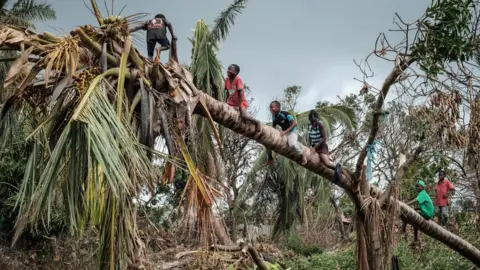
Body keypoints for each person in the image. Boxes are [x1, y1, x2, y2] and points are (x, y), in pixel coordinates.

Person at [264, 101, 307, 166]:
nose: (270, 109)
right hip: (284, 133)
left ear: (278, 107)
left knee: (292, 145)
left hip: (292, 132)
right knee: (268, 142)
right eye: (270, 108)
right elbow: (274, 126)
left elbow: (294, 123)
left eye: (272, 107)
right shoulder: (274, 116)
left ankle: (302, 154)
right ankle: (270, 159)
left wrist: (285, 132)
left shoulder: (285, 114)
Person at [307, 110, 343, 182]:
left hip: (321, 145)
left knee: (326, 163)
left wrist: (315, 147)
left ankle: (337, 166)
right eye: (312, 121)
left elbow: (324, 138)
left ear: (317, 119)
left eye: (314, 121)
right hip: (314, 146)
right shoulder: (309, 125)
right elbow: (310, 136)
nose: (313, 123)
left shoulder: (320, 124)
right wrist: (310, 146)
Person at [224, 64, 261, 132]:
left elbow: (240, 94)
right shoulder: (226, 80)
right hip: (231, 102)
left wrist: (238, 106)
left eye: (230, 71)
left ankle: (257, 122)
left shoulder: (238, 79)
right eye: (227, 70)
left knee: (244, 116)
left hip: (241, 102)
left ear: (235, 73)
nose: (228, 72)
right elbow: (227, 92)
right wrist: (226, 101)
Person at [407, 180, 434, 247]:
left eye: (418, 186)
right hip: (427, 213)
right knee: (415, 220)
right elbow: (423, 207)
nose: (416, 188)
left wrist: (406, 204)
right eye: (416, 187)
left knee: (414, 219)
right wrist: (415, 209)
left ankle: (414, 238)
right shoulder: (422, 194)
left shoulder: (422, 194)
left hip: (428, 214)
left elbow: (415, 200)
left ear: (422, 187)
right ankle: (415, 239)